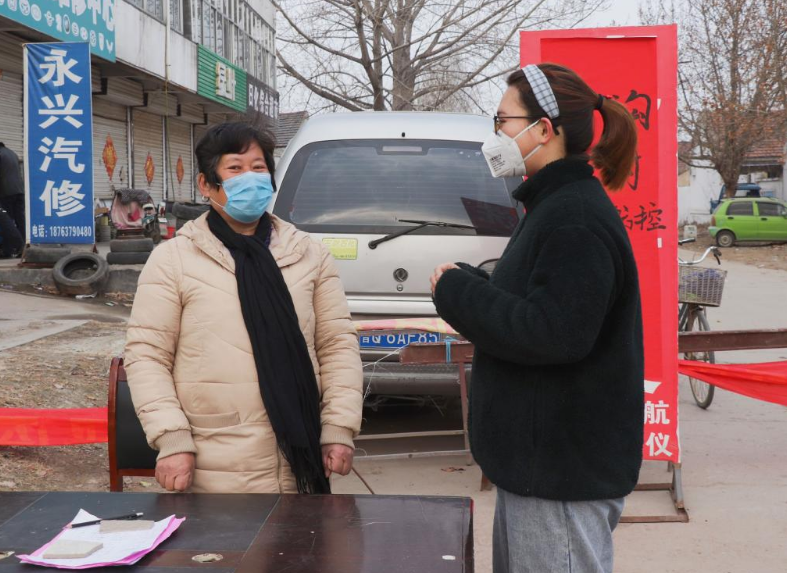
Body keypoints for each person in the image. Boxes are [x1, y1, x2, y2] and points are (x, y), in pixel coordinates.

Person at [430, 63, 644, 573]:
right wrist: (471, 281)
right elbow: (536, 301)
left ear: (544, 129)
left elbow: (553, 333)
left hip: (560, 474)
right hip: (540, 468)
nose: (496, 134)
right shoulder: (553, 206)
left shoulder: (574, 217)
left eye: (502, 120)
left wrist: (458, 294)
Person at [125, 122, 363, 494]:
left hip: (300, 464)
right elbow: (147, 355)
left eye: (258, 167)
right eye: (235, 168)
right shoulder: (173, 260)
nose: (249, 178)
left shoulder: (309, 254)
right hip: (213, 462)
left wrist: (338, 427)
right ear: (206, 185)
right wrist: (172, 438)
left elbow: (337, 345)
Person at [0, 143, 25, 244]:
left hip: (6, 192)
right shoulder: (12, 153)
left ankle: (11, 247)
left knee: (6, 220)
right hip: (19, 191)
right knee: (20, 219)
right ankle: (23, 245)